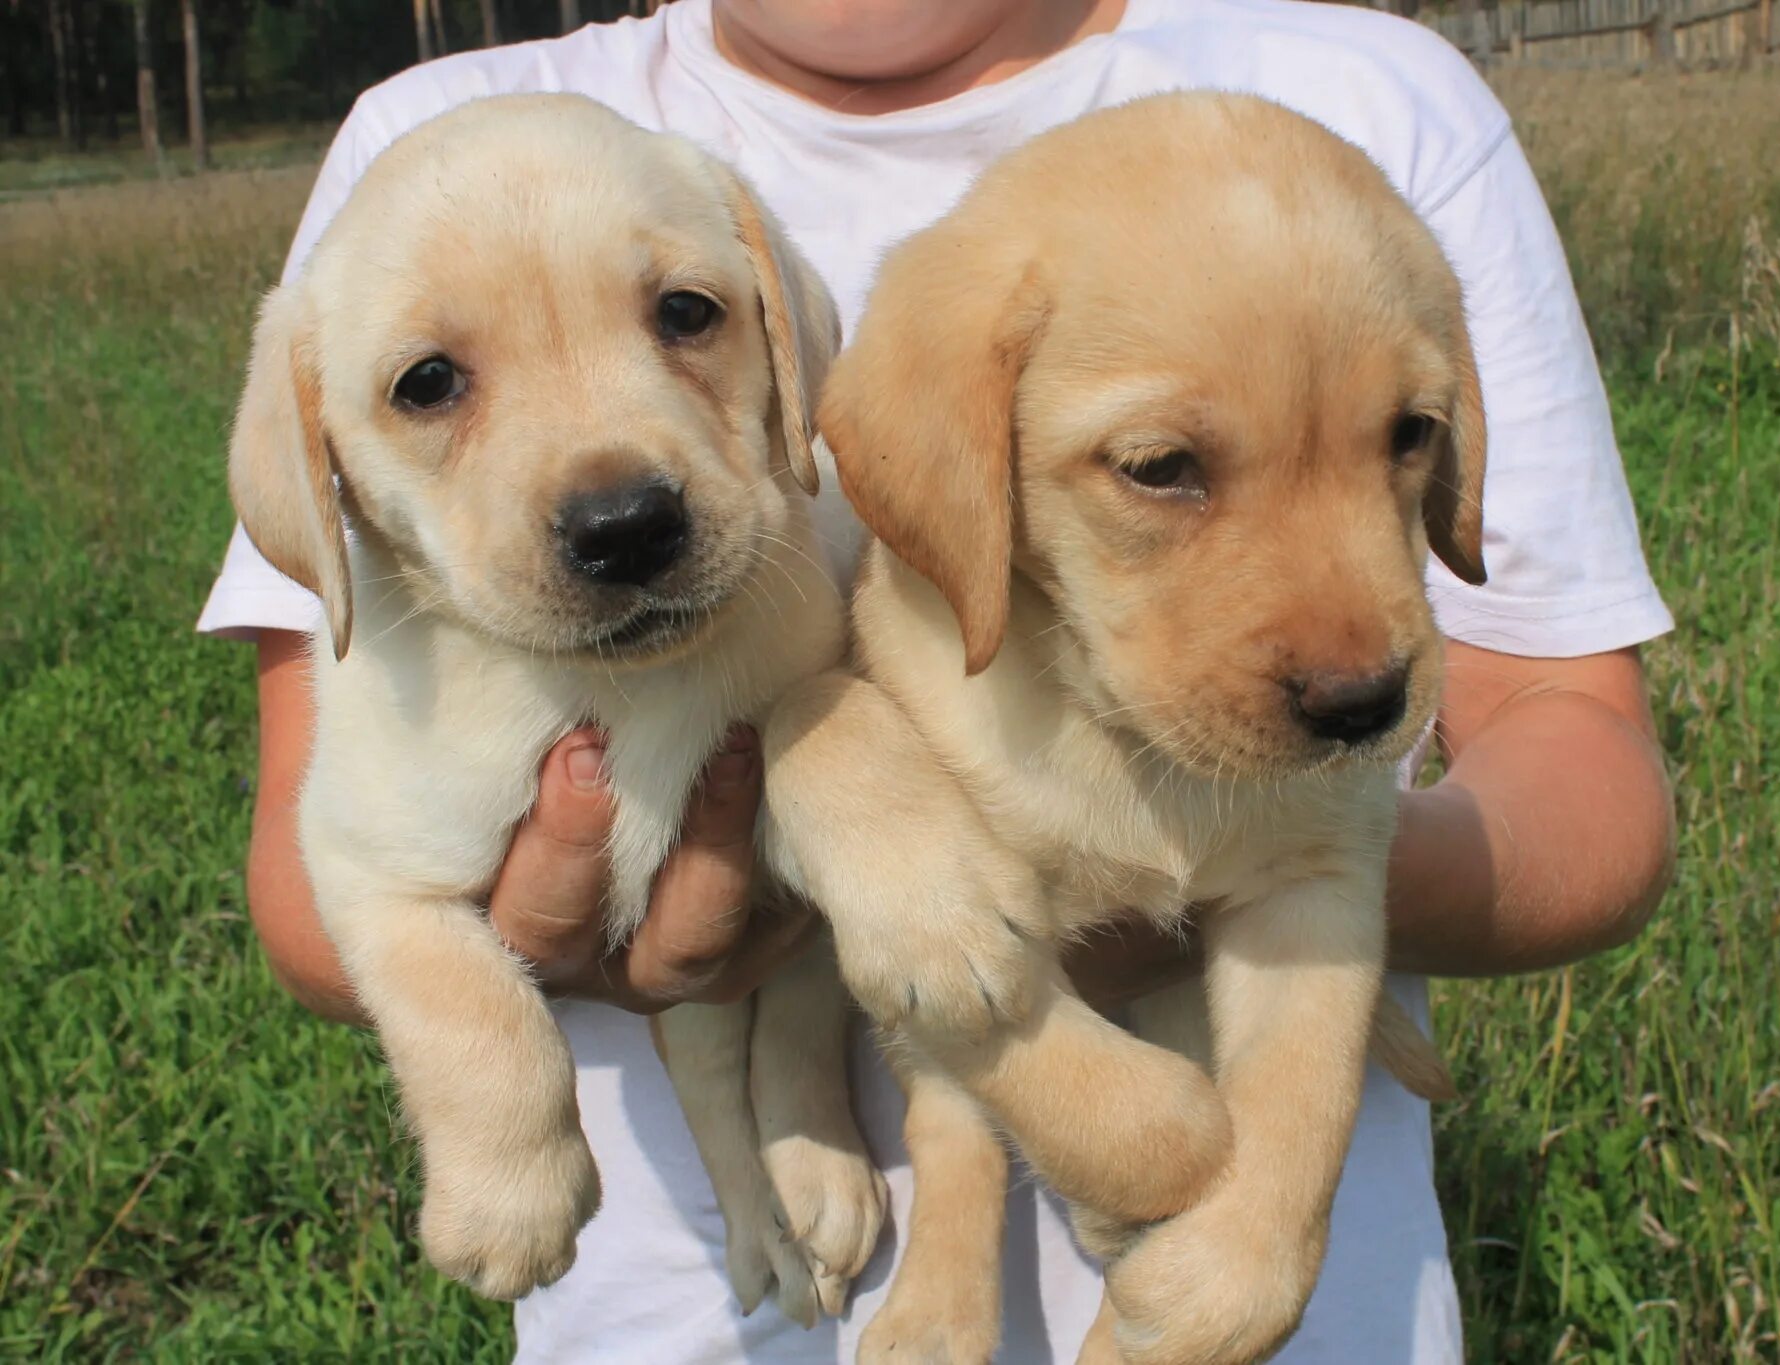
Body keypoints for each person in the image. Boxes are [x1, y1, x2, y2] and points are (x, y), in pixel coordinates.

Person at [198, 1, 1678, 1360]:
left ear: (779, 334)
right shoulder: (434, 139)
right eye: (433, 387)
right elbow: (322, 887)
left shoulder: (1365, 103)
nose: (614, 487)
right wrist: (586, 972)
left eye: (687, 317)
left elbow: (1583, 762)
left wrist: (1269, 871)